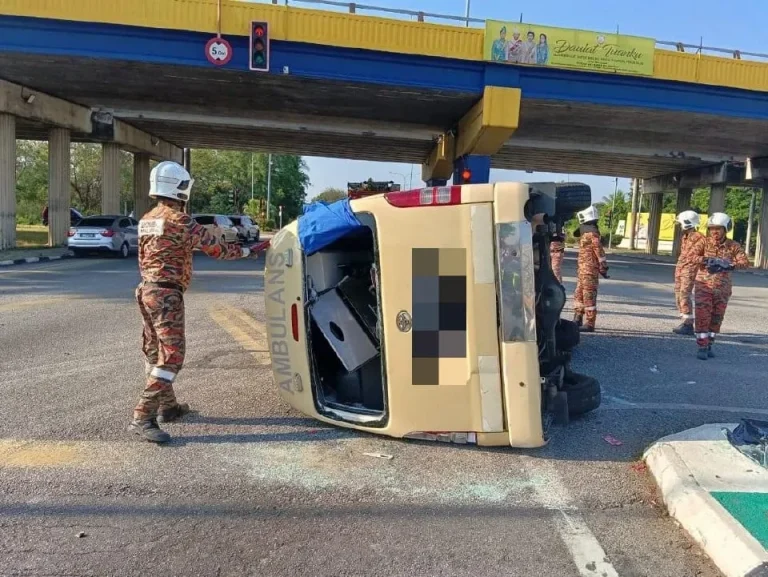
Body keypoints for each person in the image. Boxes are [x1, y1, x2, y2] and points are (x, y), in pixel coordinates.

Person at [131, 161, 264, 443]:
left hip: (146, 290)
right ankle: (143, 415)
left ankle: (169, 407)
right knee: (172, 358)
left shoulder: (147, 219)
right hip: (166, 294)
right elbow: (218, 250)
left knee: (155, 352)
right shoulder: (180, 221)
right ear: (180, 188)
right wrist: (248, 251)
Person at [692, 212, 749, 360]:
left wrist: (730, 265)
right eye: (712, 228)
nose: (715, 232)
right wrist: (708, 260)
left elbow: (744, 262)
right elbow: (690, 257)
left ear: (726, 229)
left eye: (718, 228)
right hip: (703, 286)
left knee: (717, 318)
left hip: (722, 289)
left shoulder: (733, 246)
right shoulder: (703, 242)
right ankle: (702, 345)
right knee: (702, 315)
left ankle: (710, 342)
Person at [572, 206, 608, 333]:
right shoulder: (587, 231)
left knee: (588, 296)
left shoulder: (592, 233)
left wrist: (603, 267)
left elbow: (599, 251)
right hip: (582, 270)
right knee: (578, 294)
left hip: (589, 270)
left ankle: (590, 323)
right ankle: (578, 317)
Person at [671, 210, 705, 335]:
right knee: (679, 294)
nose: (680, 226)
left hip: (689, 270)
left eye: (681, 223)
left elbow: (702, 255)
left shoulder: (700, 238)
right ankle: (685, 319)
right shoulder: (685, 237)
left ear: (687, 223)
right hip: (681, 269)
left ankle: (688, 324)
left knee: (684, 294)